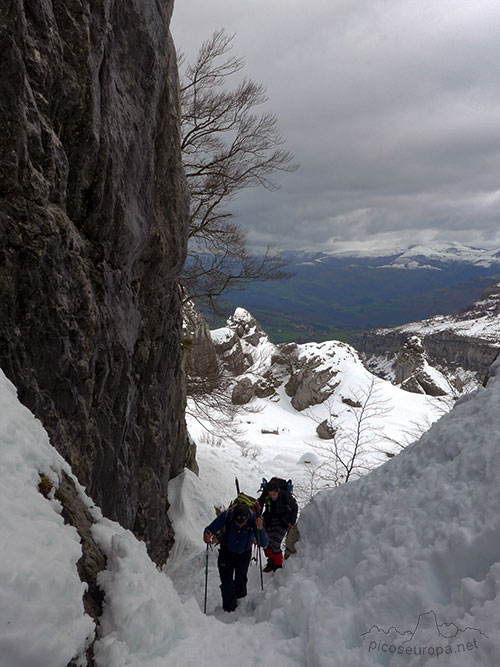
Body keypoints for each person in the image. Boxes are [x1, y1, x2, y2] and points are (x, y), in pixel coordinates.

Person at [203, 503, 268, 612]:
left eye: (242, 523)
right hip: (226, 552)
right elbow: (210, 528)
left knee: (241, 580)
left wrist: (260, 529)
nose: (240, 525)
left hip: (244, 554)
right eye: (237, 522)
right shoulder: (227, 516)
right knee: (226, 582)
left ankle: (241, 607)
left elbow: (264, 543)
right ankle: (229, 610)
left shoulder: (253, 520)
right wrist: (207, 534)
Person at [258, 478, 298, 572]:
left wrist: (291, 522)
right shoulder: (266, 494)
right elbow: (258, 505)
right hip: (269, 520)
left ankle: (278, 566)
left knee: (276, 544)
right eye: (270, 494)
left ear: (278, 491)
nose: (272, 496)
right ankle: (271, 562)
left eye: (274, 494)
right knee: (268, 543)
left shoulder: (285, 495)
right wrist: (258, 516)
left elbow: (294, 507)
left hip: (283, 521)